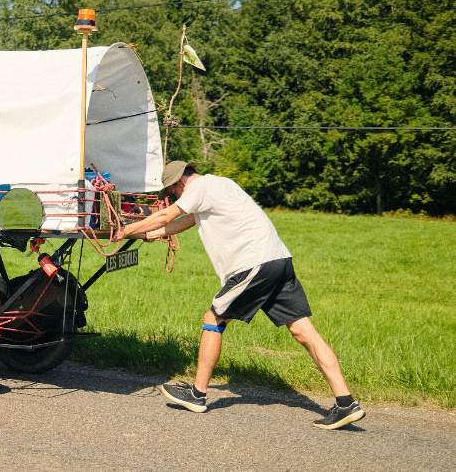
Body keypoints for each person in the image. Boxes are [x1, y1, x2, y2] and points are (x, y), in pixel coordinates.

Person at [114, 161, 364, 430]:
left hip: (252, 264)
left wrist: (127, 229)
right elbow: (184, 221)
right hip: (277, 259)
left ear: (179, 182)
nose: (173, 197)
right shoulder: (221, 184)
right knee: (304, 331)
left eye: (172, 192)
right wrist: (149, 234)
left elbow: (167, 216)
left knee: (213, 318)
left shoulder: (199, 187)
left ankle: (197, 395)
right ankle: (346, 402)